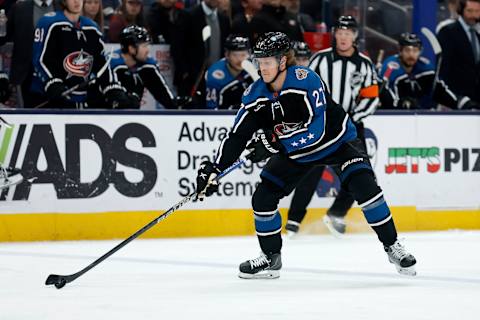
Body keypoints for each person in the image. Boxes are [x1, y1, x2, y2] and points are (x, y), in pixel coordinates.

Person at [195, 32, 417, 279]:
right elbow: (237, 136)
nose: (262, 67)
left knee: (366, 187)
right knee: (263, 197)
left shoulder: (306, 80)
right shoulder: (254, 95)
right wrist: (215, 168)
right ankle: (271, 258)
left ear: (282, 62)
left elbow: (316, 130)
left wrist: (275, 143)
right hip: (295, 153)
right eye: (259, 61)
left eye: (268, 61)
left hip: (337, 142)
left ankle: (393, 246)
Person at [286, 16, 380, 236]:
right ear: (335, 34)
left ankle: (336, 214)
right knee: (310, 171)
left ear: (355, 36)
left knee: (360, 173)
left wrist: (354, 116)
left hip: (351, 128)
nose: (344, 37)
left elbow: (371, 97)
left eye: (348, 33)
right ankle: (294, 220)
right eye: (340, 32)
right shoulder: (320, 59)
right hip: (322, 125)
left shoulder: (365, 64)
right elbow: (307, 87)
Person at [31, 0, 130, 109]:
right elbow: (40, 59)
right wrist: (53, 83)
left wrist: (113, 88)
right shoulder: (49, 23)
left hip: (82, 99)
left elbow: (101, 64)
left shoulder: (92, 28)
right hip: (48, 97)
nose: (76, 1)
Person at [380, 32, 478, 109]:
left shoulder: (424, 68)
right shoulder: (391, 68)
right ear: (400, 51)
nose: (411, 54)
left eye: (415, 50)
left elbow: (439, 90)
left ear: (420, 51)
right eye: (407, 50)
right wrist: (402, 104)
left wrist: (460, 103)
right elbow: (387, 97)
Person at [0, 0, 56, 107]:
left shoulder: (62, 6)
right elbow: (3, 37)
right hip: (26, 77)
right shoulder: (19, 8)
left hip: (57, 76)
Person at [111, 25, 177, 108]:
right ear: (131, 48)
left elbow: (166, 98)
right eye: (144, 46)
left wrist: (177, 104)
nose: (148, 50)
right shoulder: (113, 66)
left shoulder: (147, 65)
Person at [437, 0, 480, 104]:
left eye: (477, 11)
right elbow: (444, 68)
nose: (473, 15)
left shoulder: (478, 33)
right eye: (469, 11)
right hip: (457, 98)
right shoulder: (447, 31)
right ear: (461, 11)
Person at [205, 34, 253, 109]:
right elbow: (212, 110)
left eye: (243, 55)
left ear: (249, 54)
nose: (240, 60)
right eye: (235, 55)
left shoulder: (256, 68)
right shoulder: (215, 76)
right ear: (227, 55)